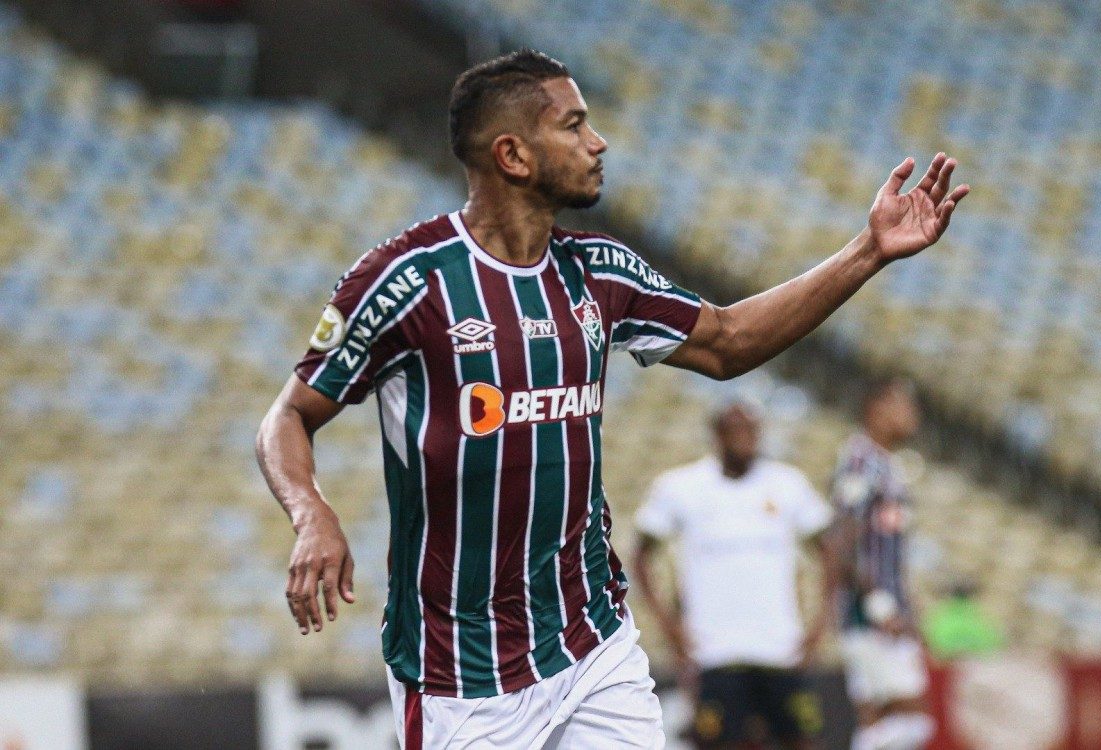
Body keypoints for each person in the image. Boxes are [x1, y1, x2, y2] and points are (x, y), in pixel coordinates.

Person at [254, 48, 968, 749]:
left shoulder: (599, 271)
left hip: (592, 642)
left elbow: (728, 342)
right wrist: (311, 512)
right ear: (513, 155)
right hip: (459, 674)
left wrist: (868, 251)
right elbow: (288, 416)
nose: (598, 143)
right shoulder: (409, 282)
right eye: (573, 125)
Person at [632, 399, 836, 749]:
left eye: (750, 431)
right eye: (734, 430)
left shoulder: (787, 484)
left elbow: (829, 552)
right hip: (714, 651)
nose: (744, 439)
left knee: (800, 739)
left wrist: (819, 624)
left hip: (780, 648)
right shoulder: (682, 486)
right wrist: (669, 625)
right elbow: (641, 556)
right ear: (717, 435)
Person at [828, 379, 934, 750]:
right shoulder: (861, 462)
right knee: (906, 719)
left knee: (886, 719)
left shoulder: (888, 464)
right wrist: (878, 604)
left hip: (886, 608)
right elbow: (842, 539)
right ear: (877, 408)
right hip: (868, 614)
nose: (913, 414)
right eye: (904, 405)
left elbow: (887, 545)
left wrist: (906, 604)